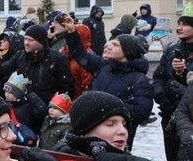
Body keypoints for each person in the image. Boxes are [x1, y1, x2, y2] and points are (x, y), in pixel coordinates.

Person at [62, 16, 153, 147]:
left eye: (115, 45)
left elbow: (141, 112)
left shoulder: (139, 79)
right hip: (92, 128)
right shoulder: (104, 66)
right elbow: (80, 55)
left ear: (128, 51)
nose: (109, 47)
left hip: (116, 138)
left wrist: (108, 106)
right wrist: (71, 32)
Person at [0, 24, 75, 104]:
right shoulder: (20, 56)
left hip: (47, 108)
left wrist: (57, 107)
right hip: (23, 108)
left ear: (41, 42)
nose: (26, 42)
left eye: (30, 40)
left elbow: (66, 87)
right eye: (25, 39)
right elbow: (2, 73)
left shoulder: (57, 58)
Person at [154, 2, 193, 161]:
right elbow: (158, 77)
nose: (179, 27)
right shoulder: (172, 50)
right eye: (179, 23)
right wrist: (162, 98)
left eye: (185, 24)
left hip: (189, 119)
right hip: (169, 117)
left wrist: (182, 74)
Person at [3, 71, 47, 143]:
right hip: (9, 141)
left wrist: (30, 94)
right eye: (5, 91)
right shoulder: (5, 106)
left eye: (10, 92)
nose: (6, 94)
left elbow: (42, 111)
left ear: (18, 94)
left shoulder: (27, 107)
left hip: (24, 143)